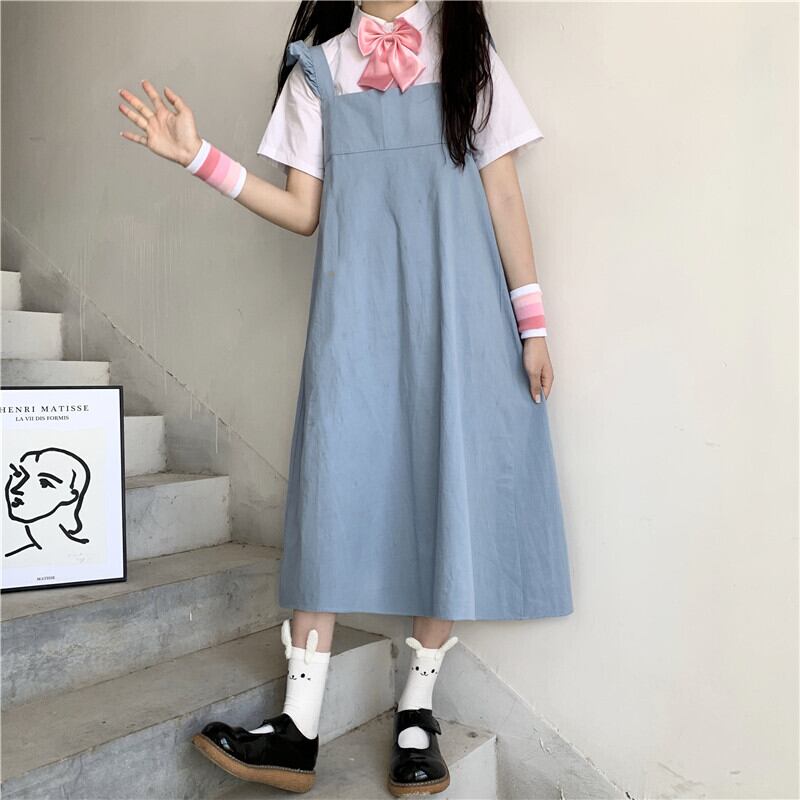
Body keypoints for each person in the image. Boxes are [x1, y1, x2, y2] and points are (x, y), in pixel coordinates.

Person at [117, 0, 574, 794]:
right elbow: (303, 211)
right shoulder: (318, 72)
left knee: (445, 488)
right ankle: (298, 726)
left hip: (458, 315)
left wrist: (531, 324)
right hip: (355, 314)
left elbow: (502, 192)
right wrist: (199, 159)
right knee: (329, 495)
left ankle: (417, 709)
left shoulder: (466, 55)